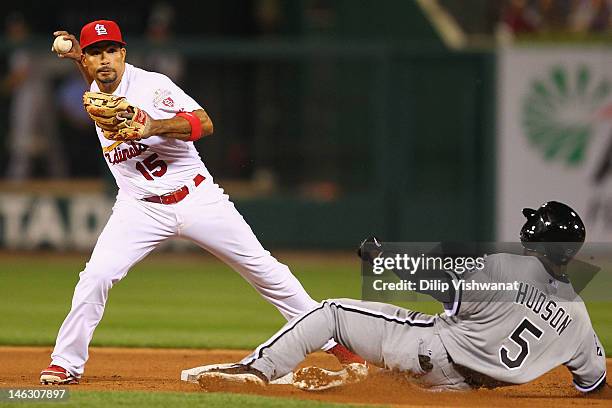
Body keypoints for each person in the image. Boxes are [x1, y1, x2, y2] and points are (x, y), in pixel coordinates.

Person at [39, 19, 361, 385]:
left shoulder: (152, 85)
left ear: (123, 53)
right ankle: (66, 363)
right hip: (139, 206)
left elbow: (204, 123)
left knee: (265, 271)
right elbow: (99, 79)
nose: (104, 59)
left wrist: (152, 126)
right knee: (95, 276)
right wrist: (77, 58)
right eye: (96, 53)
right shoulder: (96, 87)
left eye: (111, 49)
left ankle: (339, 345)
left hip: (197, 197)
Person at [198, 201, 608, 393]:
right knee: (391, 384)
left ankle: (256, 371)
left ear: (536, 236)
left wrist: (385, 257)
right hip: (463, 391)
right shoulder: (579, 316)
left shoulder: (508, 268)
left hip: (432, 352)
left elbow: (443, 286)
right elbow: (594, 382)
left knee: (331, 313)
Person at [2, 12, 68, 180]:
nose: (15, 32)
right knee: (39, 141)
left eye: (18, 29)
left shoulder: (26, 47)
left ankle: (54, 178)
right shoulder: (23, 47)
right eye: (13, 29)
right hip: (38, 94)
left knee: (29, 140)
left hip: (31, 96)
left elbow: (20, 75)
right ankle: (56, 177)